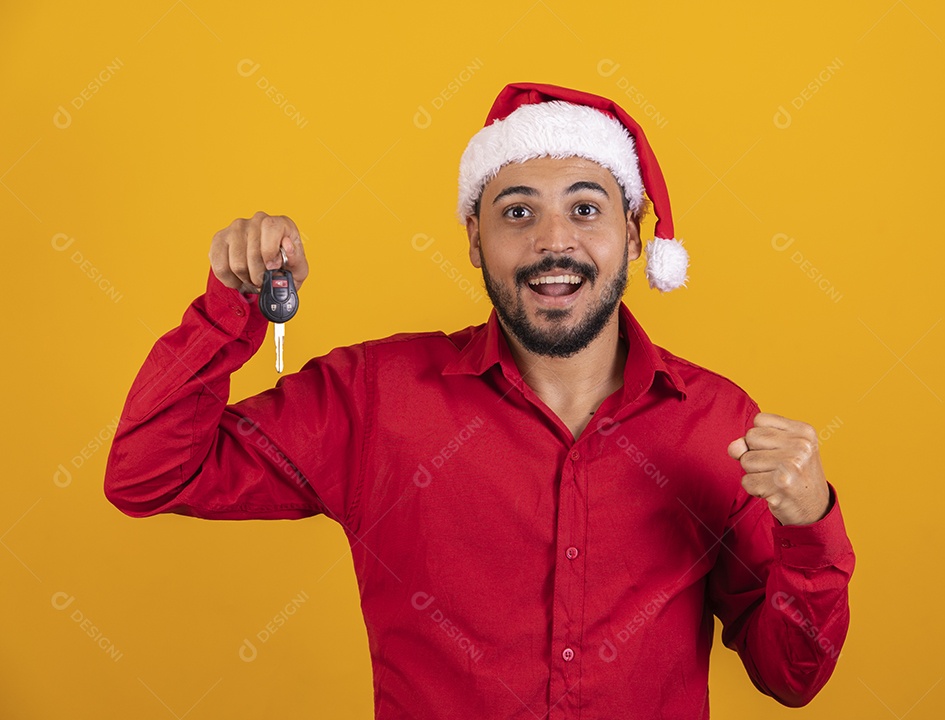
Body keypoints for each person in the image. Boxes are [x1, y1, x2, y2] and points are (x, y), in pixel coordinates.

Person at [105, 82, 855, 718]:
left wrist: (810, 525)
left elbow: (791, 675)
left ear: (633, 236)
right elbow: (150, 473)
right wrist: (230, 308)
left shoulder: (716, 422)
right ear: (473, 237)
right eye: (518, 212)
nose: (552, 243)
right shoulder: (375, 399)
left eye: (587, 210)